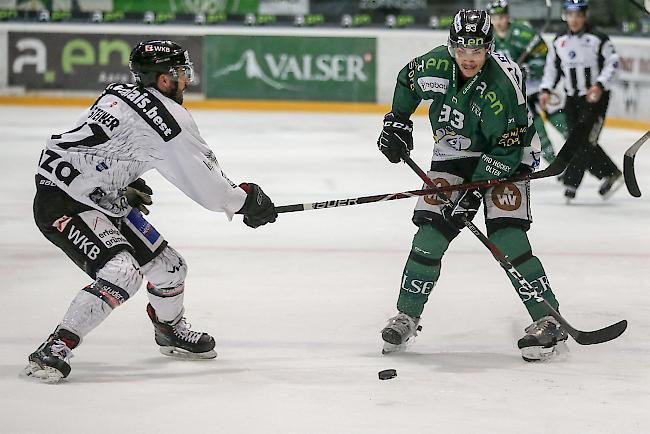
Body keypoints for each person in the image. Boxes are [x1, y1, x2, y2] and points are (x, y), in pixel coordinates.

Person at [26, 40, 278, 383]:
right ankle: (55, 347)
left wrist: (119, 181)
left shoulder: (120, 92)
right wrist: (245, 200)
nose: (186, 80)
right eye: (181, 73)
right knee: (122, 273)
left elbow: (95, 148)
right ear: (163, 79)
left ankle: (170, 331)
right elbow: (207, 186)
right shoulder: (170, 121)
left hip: (97, 195)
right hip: (65, 201)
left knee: (170, 269)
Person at [377, 9, 567, 362]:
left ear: (489, 48)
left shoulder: (503, 86)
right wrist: (398, 122)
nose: (469, 56)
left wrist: (472, 193)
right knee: (431, 233)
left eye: (477, 49)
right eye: (462, 48)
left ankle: (548, 318)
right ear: (452, 46)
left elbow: (506, 149)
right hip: (454, 151)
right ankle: (406, 314)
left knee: (506, 235)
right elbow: (407, 80)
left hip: (509, 156)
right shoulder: (434, 65)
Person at [539, 0, 623, 201]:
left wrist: (600, 85)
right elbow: (552, 69)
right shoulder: (559, 41)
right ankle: (610, 173)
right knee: (578, 140)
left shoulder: (598, 39)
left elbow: (613, 63)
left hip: (595, 100)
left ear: (585, 16)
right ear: (565, 16)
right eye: (570, 14)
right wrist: (546, 89)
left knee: (583, 140)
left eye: (578, 15)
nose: (574, 19)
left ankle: (571, 182)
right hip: (571, 99)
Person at [487, 0, 569, 165]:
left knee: (557, 118)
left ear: (507, 16)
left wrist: (529, 69)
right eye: (494, 18)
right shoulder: (488, 39)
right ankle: (554, 163)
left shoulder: (523, 33)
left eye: (501, 16)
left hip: (537, 85)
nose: (498, 21)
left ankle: (578, 149)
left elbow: (547, 57)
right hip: (513, 91)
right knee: (534, 127)